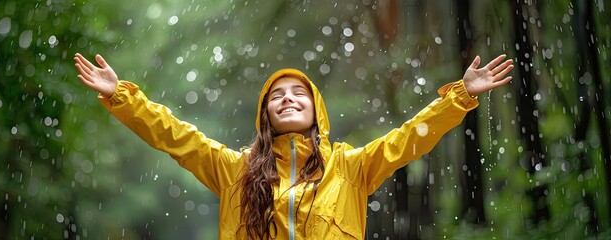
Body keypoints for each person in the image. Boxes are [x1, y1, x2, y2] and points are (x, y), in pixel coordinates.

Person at [74, 53, 513, 239]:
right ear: (265, 113)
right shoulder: (234, 169)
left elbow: (409, 139)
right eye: (277, 94)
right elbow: (174, 135)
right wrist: (121, 97)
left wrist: (461, 95)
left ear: (316, 109)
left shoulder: (351, 167)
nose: (287, 98)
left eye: (298, 93)